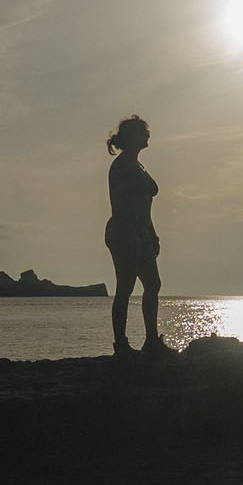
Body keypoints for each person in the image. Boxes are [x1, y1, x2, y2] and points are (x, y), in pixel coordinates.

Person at [104, 115, 171, 355]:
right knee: (126, 287)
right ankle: (121, 343)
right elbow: (125, 207)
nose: (148, 136)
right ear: (134, 137)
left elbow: (144, 204)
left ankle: (151, 340)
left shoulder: (137, 165)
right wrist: (138, 234)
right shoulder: (122, 166)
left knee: (152, 284)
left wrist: (151, 234)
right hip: (125, 232)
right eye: (144, 132)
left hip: (140, 232)